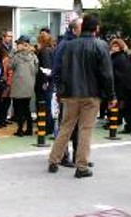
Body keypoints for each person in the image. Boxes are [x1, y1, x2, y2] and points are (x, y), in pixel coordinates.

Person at [48, 14, 116, 178]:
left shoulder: (68, 45)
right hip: (91, 94)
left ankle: (53, 160)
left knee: (66, 127)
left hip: (70, 93)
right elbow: (107, 74)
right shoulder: (101, 45)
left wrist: (60, 90)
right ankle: (82, 166)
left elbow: (58, 70)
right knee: (85, 129)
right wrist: (111, 95)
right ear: (96, 29)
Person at [51, 18, 82, 167]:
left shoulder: (79, 43)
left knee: (79, 126)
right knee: (66, 126)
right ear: (75, 29)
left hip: (80, 91)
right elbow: (56, 69)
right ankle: (63, 156)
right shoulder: (65, 45)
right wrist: (60, 89)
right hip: (68, 91)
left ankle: (78, 156)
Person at [10, 35, 38, 137]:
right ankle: (29, 129)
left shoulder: (17, 56)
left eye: (18, 44)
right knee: (26, 108)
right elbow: (36, 70)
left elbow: (10, 66)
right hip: (29, 85)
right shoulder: (34, 56)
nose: (17, 45)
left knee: (18, 109)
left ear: (23, 44)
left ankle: (20, 129)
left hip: (18, 85)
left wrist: (13, 53)